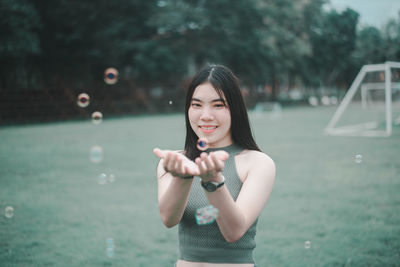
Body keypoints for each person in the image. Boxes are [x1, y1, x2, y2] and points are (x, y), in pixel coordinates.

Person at [153, 64, 276, 267]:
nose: (206, 115)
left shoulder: (258, 163)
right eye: (197, 104)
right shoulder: (174, 162)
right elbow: (169, 218)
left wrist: (213, 181)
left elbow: (234, 231)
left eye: (218, 105)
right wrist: (182, 177)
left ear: (235, 109)